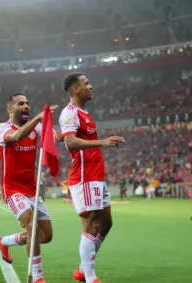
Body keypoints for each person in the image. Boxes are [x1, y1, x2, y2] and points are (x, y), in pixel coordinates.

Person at [59, 72, 125, 283]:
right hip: (84, 175)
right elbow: (71, 142)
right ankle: (90, 277)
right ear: (75, 89)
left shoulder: (84, 113)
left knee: (106, 223)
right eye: (86, 83)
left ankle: (82, 268)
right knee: (91, 223)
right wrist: (103, 142)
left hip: (96, 175)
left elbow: (64, 137)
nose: (91, 86)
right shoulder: (69, 113)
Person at [0, 93, 57, 283]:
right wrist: (38, 118)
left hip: (32, 189)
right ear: (10, 109)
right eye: (21, 103)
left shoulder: (37, 129)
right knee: (33, 228)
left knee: (46, 236)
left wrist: (70, 132)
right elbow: (17, 137)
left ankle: (3, 241)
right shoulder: (2, 128)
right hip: (13, 190)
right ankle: (37, 278)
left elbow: (55, 137)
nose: (26, 106)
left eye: (28, 103)